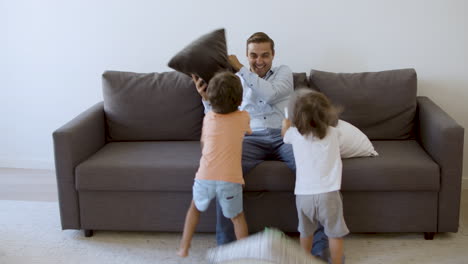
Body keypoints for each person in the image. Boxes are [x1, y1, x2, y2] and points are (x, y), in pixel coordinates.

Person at [192, 32, 330, 260]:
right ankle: (228, 249)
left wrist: (240, 70)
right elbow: (221, 116)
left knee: (315, 172)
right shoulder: (234, 80)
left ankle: (321, 247)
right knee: (222, 174)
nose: (259, 61)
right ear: (247, 55)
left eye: (265, 55)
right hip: (250, 136)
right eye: (253, 55)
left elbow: (270, 94)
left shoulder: (284, 73)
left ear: (273, 55)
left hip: (284, 134)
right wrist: (207, 99)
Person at [177, 71, 252, 257]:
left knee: (194, 209)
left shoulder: (208, 118)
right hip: (230, 179)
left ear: (211, 98)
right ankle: (248, 253)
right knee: (237, 217)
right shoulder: (243, 117)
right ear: (240, 100)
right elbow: (248, 132)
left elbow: (204, 143)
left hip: (205, 176)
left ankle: (184, 247)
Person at [282, 91, 349, 264]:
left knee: (306, 232)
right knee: (334, 234)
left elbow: (284, 136)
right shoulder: (334, 133)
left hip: (304, 196)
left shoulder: (294, 134)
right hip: (329, 194)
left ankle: (304, 260)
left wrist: (286, 124)